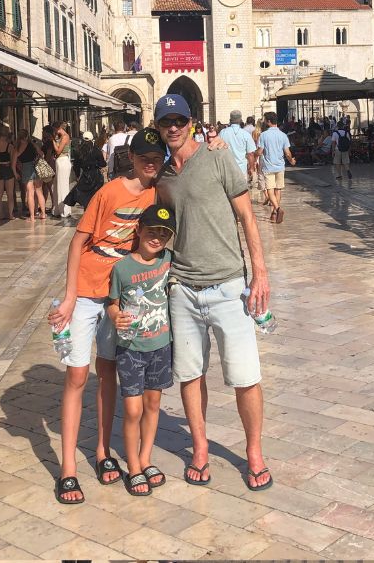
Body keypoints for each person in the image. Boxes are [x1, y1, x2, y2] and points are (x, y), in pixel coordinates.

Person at [153, 93, 273, 492]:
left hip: (228, 286)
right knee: (190, 374)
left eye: (179, 120)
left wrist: (260, 272)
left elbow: (247, 217)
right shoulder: (163, 175)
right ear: (157, 127)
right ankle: (200, 448)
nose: (173, 127)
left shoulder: (219, 157)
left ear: (192, 122)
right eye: (165, 121)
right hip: (182, 289)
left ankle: (254, 454)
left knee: (245, 377)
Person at [47, 128, 165, 505]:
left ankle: (101, 451)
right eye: (144, 155)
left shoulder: (157, 192)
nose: (150, 162)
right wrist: (67, 298)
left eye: (156, 156)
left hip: (120, 295)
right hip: (86, 290)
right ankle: (67, 468)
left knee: (109, 371)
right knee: (78, 375)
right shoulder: (109, 191)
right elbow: (78, 241)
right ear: (131, 157)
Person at [106, 204, 175, 496]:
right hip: (131, 348)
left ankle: (145, 458)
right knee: (133, 409)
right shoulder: (122, 268)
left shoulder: (169, 260)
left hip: (160, 346)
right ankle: (132, 465)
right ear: (139, 231)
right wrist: (114, 315)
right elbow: (111, 302)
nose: (156, 238)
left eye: (163, 233)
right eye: (151, 231)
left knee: (153, 405)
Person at [257, 111, 296, 224]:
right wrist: (292, 161)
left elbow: (260, 152)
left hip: (269, 167)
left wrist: (254, 154)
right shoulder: (283, 135)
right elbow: (287, 153)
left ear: (268, 121)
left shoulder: (263, 135)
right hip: (280, 166)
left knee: (270, 191)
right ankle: (274, 213)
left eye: (265, 120)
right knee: (278, 190)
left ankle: (278, 209)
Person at [219, 110, 257, 180]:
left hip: (227, 169)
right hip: (241, 169)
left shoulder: (222, 133)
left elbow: (218, 149)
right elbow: (250, 154)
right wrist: (251, 168)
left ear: (230, 120)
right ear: (240, 120)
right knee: (242, 190)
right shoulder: (245, 134)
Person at [13, 132, 40, 219]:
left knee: (30, 193)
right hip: (36, 167)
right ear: (27, 136)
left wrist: (16, 173)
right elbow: (41, 153)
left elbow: (13, 165)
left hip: (26, 169)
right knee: (38, 192)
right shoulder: (32, 145)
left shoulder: (17, 149)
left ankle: (32, 216)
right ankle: (38, 212)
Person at [50, 122, 73, 218]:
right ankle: (58, 209)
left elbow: (58, 150)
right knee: (57, 185)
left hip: (63, 161)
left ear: (57, 128)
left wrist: (53, 141)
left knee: (63, 186)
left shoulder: (65, 136)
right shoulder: (60, 136)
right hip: (59, 161)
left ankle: (65, 210)